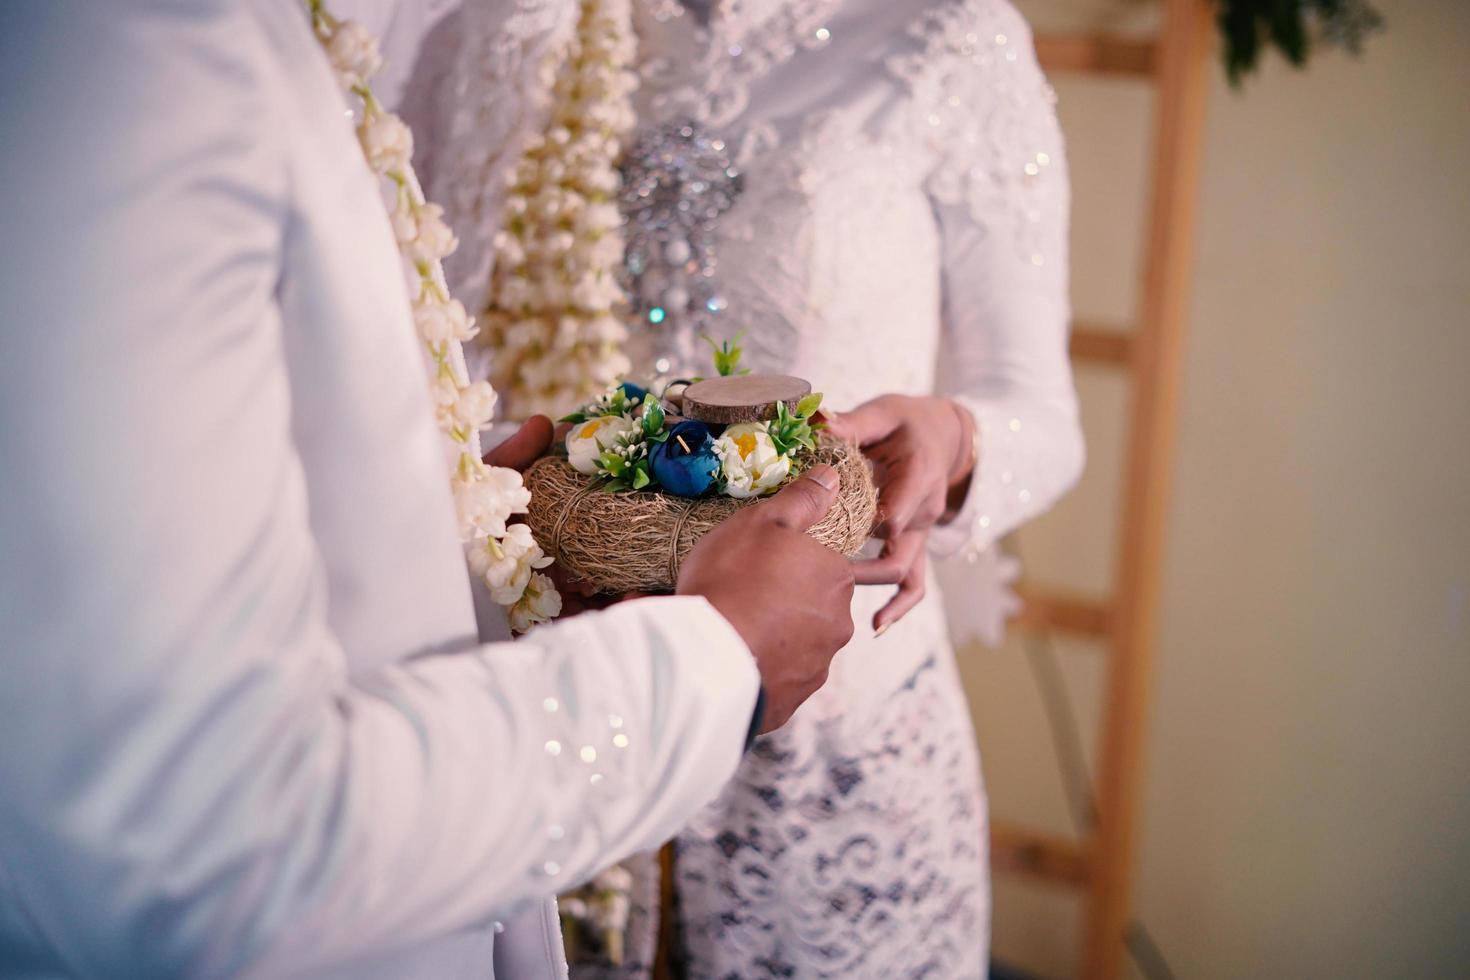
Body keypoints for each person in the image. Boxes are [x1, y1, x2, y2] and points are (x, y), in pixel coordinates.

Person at [0, 2, 858, 977]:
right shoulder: (138, 50)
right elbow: (192, 857)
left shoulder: (266, 36)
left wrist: (469, 535)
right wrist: (715, 663)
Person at [406, 0, 1086, 974]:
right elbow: (430, 352)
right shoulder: (518, 28)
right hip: (569, 708)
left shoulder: (945, 34)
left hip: (840, 743)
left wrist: (955, 436)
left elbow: (1044, 413)